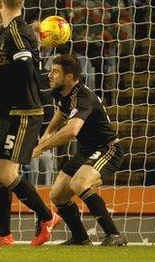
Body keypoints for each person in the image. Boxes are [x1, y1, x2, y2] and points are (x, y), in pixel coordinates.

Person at [0, 0, 60, 246]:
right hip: (10, 110)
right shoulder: (9, 31)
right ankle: (2, 233)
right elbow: (12, 66)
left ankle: (47, 217)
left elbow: (24, 70)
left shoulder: (18, 31)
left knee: (7, 174)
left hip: (24, 112)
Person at [33, 54, 127, 246]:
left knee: (79, 183)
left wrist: (41, 146)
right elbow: (61, 111)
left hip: (108, 148)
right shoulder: (63, 92)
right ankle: (80, 238)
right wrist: (48, 132)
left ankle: (114, 235)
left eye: (55, 72)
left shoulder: (83, 97)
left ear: (69, 77)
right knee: (57, 194)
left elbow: (72, 130)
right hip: (87, 150)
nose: (50, 75)